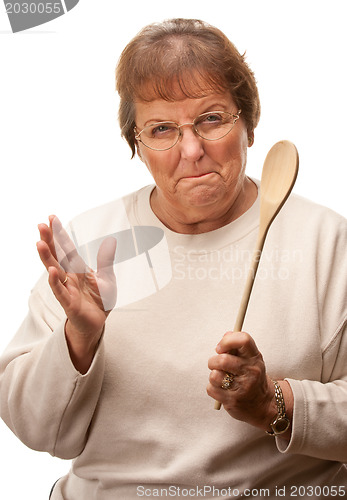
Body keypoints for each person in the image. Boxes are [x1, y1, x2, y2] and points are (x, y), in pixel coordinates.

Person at [0, 18, 346, 500]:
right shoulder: (90, 249)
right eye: (162, 129)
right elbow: (36, 431)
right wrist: (78, 338)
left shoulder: (326, 243)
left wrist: (274, 404)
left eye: (211, 118)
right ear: (137, 145)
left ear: (248, 124)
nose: (191, 149)